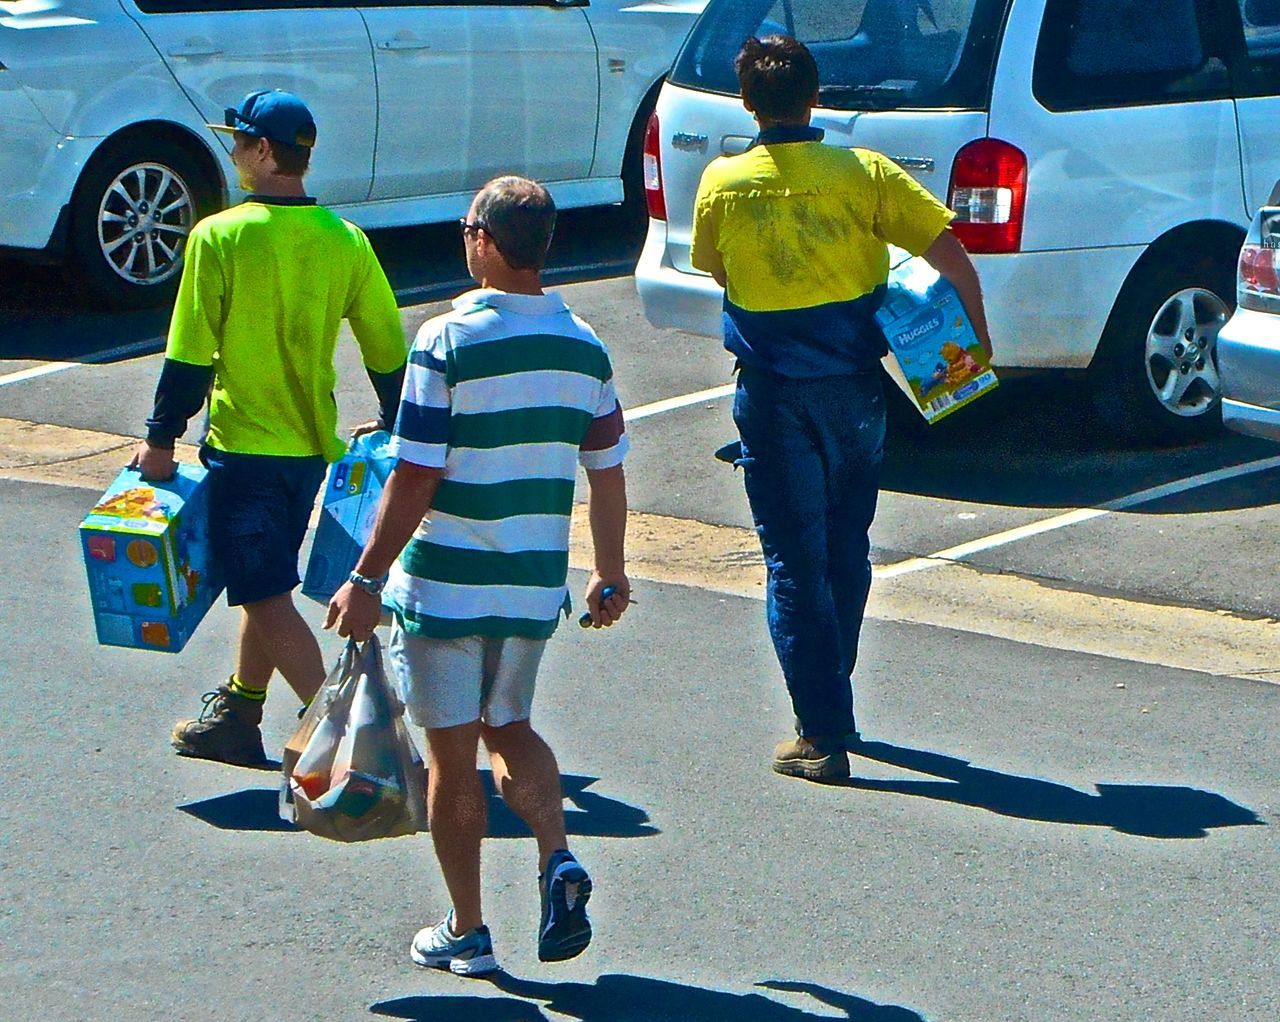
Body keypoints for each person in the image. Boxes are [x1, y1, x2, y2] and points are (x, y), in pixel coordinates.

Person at [326, 176, 631, 975]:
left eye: (467, 228)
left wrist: (363, 577)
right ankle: (557, 856)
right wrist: (610, 571)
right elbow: (606, 470)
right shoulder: (584, 345)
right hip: (531, 587)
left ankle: (467, 929)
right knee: (513, 729)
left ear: (488, 243)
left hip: (445, 588)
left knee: (454, 759)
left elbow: (416, 474)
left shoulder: (446, 341)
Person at [690, 35, 992, 783]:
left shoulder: (724, 182)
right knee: (845, 548)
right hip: (857, 387)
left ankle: (819, 732)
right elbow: (951, 253)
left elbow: (716, 266)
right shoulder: (863, 172)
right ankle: (836, 698)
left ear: (748, 104)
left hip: (771, 393)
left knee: (793, 560)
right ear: (816, 97)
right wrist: (975, 341)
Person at [132, 89, 408, 766]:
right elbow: (386, 346)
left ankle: (351, 739)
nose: (231, 154)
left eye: (237, 143)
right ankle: (239, 712)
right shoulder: (345, 240)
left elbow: (190, 351)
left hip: (242, 448)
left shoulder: (220, 236)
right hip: (309, 453)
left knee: (262, 592)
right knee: (267, 584)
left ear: (262, 152)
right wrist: (398, 417)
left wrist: (161, 437)